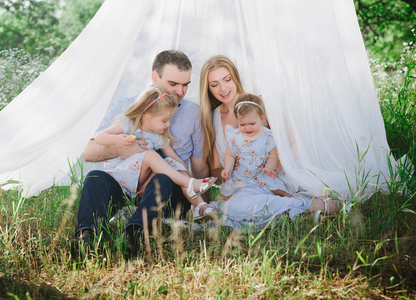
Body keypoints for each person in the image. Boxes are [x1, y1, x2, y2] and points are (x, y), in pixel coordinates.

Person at [69, 50, 214, 256]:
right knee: (95, 177)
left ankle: (134, 234)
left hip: (166, 190)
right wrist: (124, 147)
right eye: (173, 84)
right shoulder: (128, 107)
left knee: (164, 175)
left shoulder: (193, 112)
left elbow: (199, 165)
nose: (181, 91)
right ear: (155, 77)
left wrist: (202, 205)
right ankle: (87, 236)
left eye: (186, 85)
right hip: (127, 182)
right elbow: (89, 152)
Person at [199, 55, 350, 230]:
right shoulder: (213, 119)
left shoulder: (259, 103)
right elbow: (216, 168)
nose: (223, 88)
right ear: (208, 89)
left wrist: (275, 166)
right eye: (214, 84)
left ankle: (303, 206)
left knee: (236, 209)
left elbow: (296, 143)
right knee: (234, 206)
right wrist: (232, 176)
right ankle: (305, 207)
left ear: (235, 77)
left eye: (227, 79)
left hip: (276, 177)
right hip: (245, 185)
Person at [95, 85, 217, 218]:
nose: (168, 124)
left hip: (140, 182)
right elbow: (99, 137)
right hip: (120, 177)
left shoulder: (158, 137)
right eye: (165, 120)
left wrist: (186, 174)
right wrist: (117, 140)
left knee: (173, 163)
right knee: (151, 155)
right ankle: (189, 184)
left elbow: (175, 158)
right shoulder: (128, 124)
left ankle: (201, 206)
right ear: (147, 117)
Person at [220, 93, 296, 199]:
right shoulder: (236, 136)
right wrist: (227, 168)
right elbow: (230, 154)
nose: (247, 128)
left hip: (262, 172)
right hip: (243, 175)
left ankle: (287, 196)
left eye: (252, 124)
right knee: (228, 195)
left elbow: (273, 155)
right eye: (242, 125)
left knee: (274, 187)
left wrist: (269, 167)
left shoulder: (268, 136)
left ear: (261, 118)